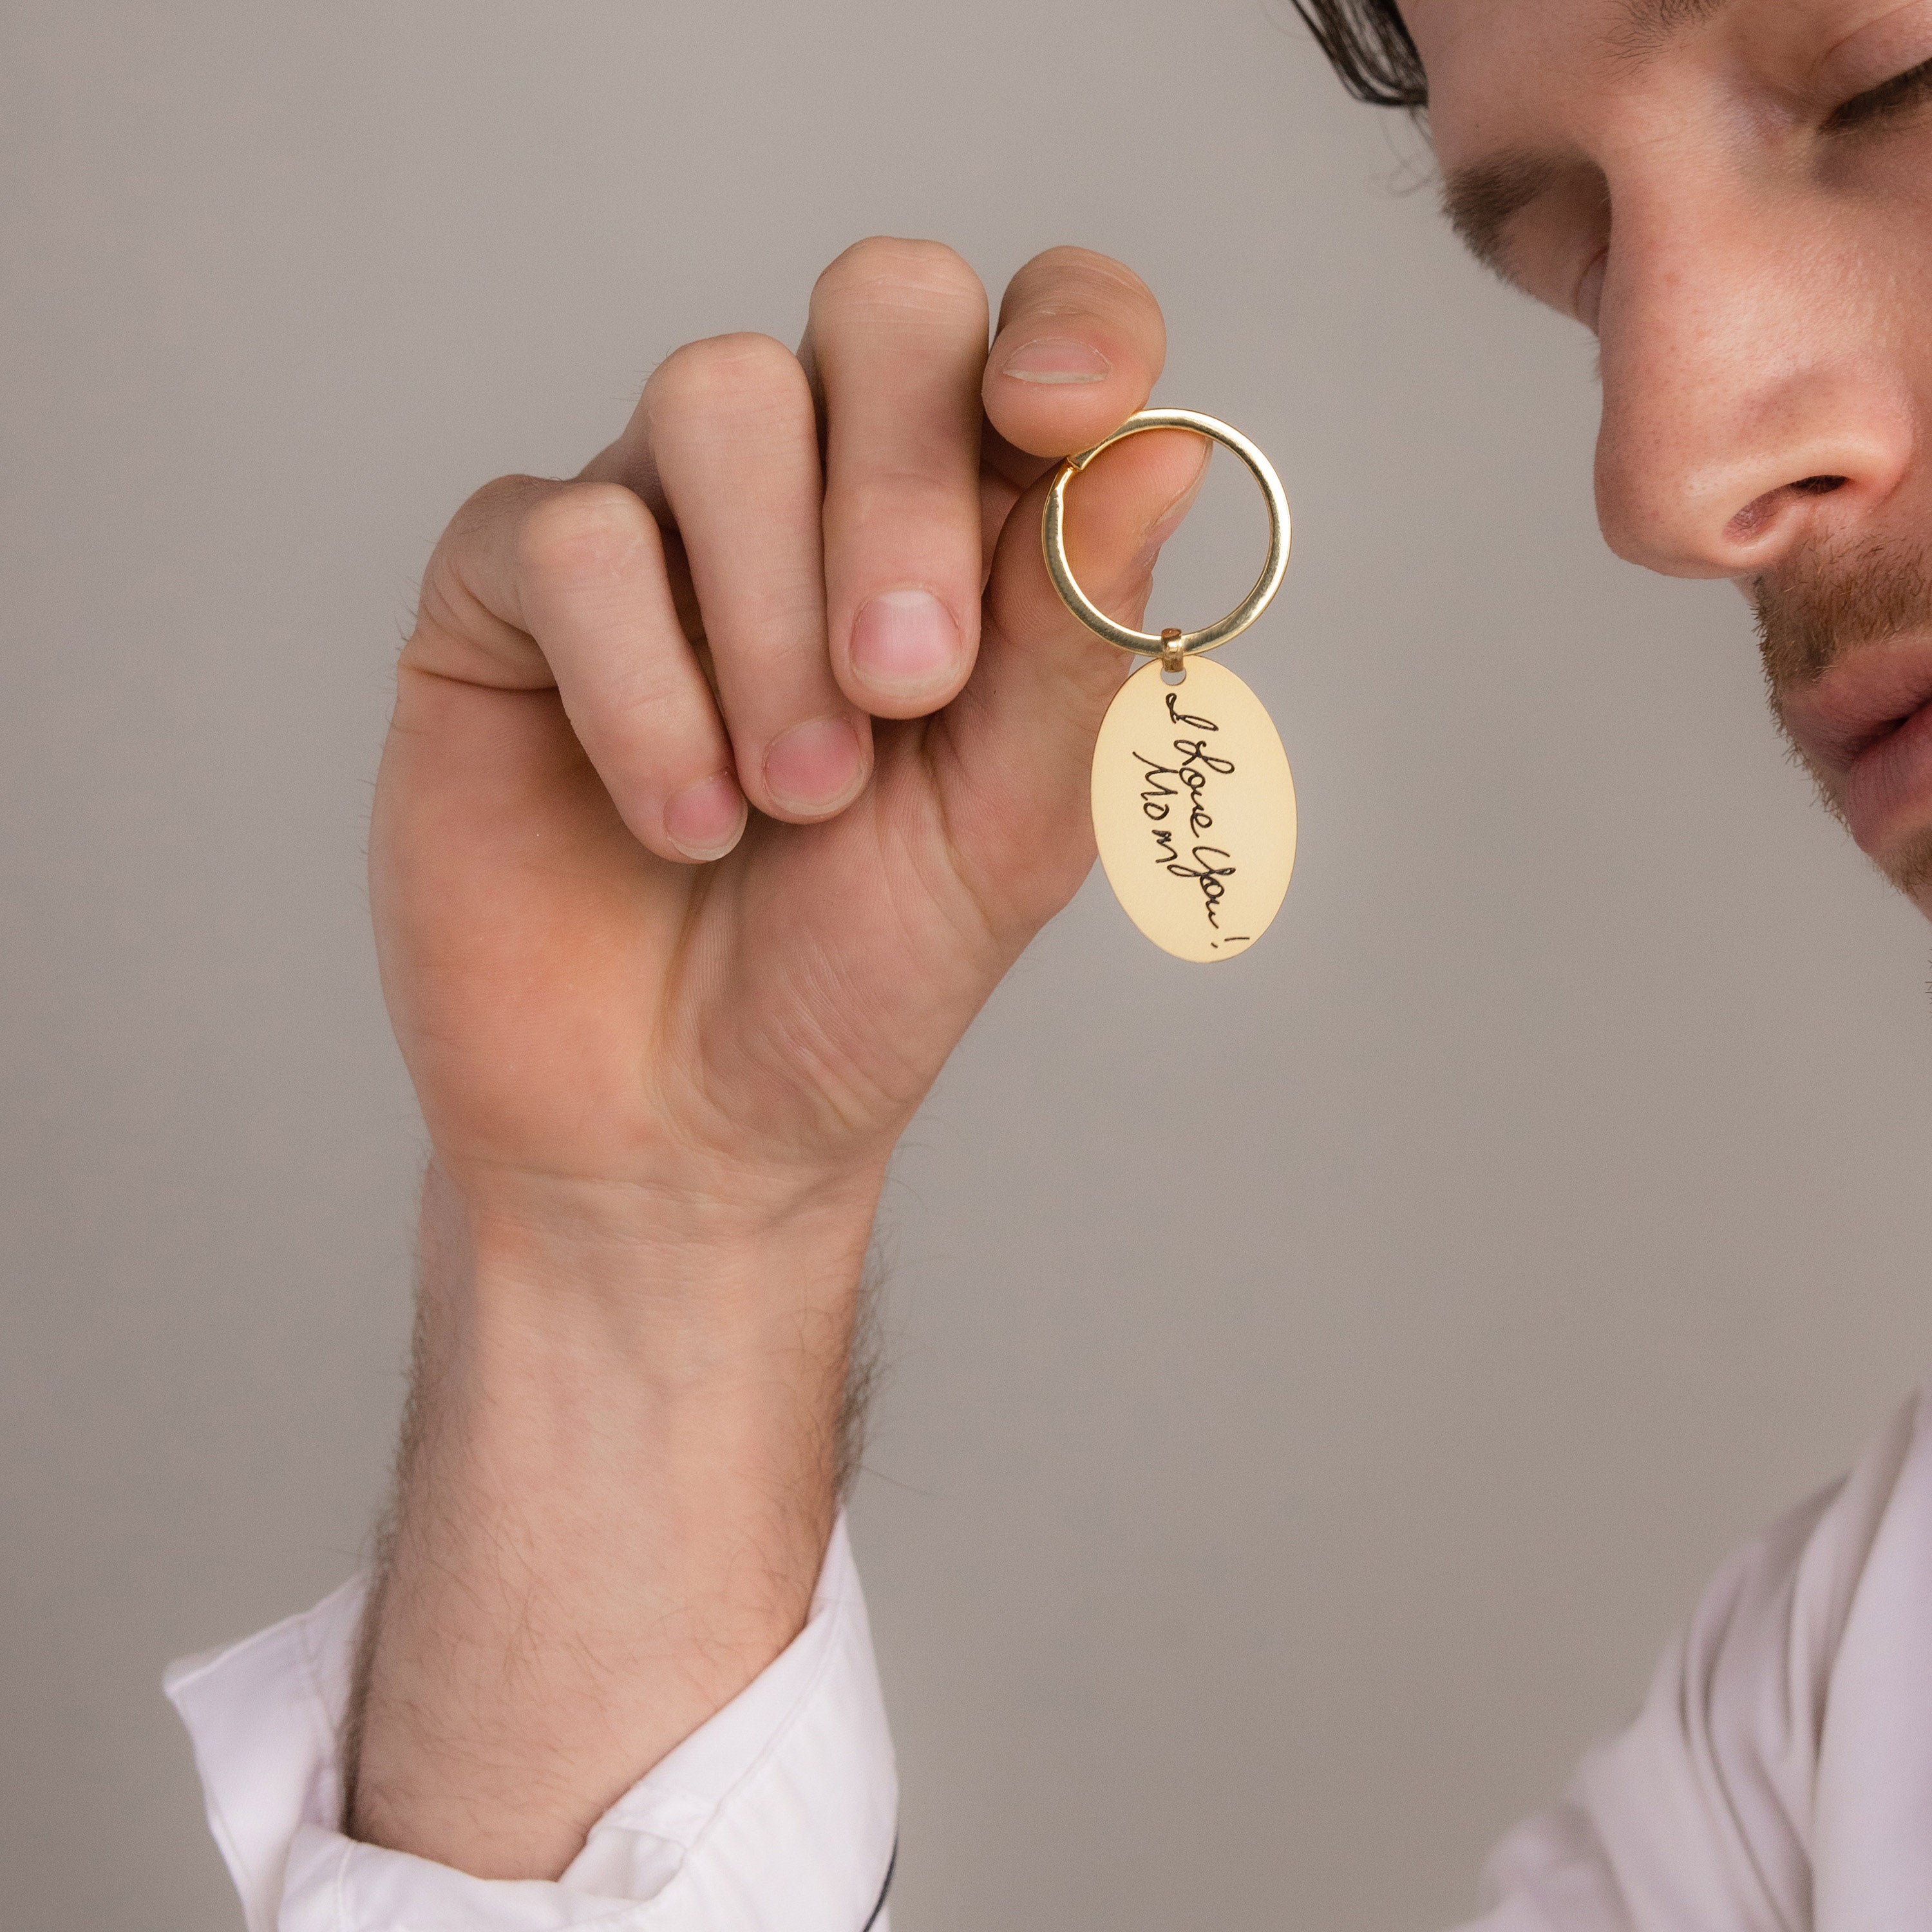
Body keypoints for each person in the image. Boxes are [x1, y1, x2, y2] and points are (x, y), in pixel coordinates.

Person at [164, 0, 1932, 1926]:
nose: (1664, 468)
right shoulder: (1844, 1726)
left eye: (1897, 88)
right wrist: (647, 1272)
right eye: (1583, 260)